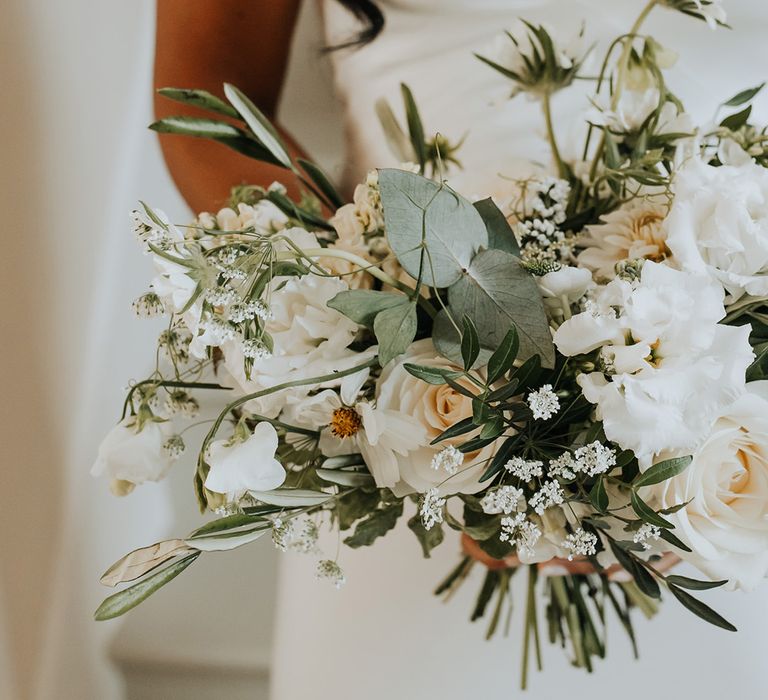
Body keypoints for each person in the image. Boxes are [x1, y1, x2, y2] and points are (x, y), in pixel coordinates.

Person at [155, 2, 768, 699]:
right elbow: (209, 89)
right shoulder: (406, 415)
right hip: (409, 435)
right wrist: (369, 331)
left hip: (740, 449)